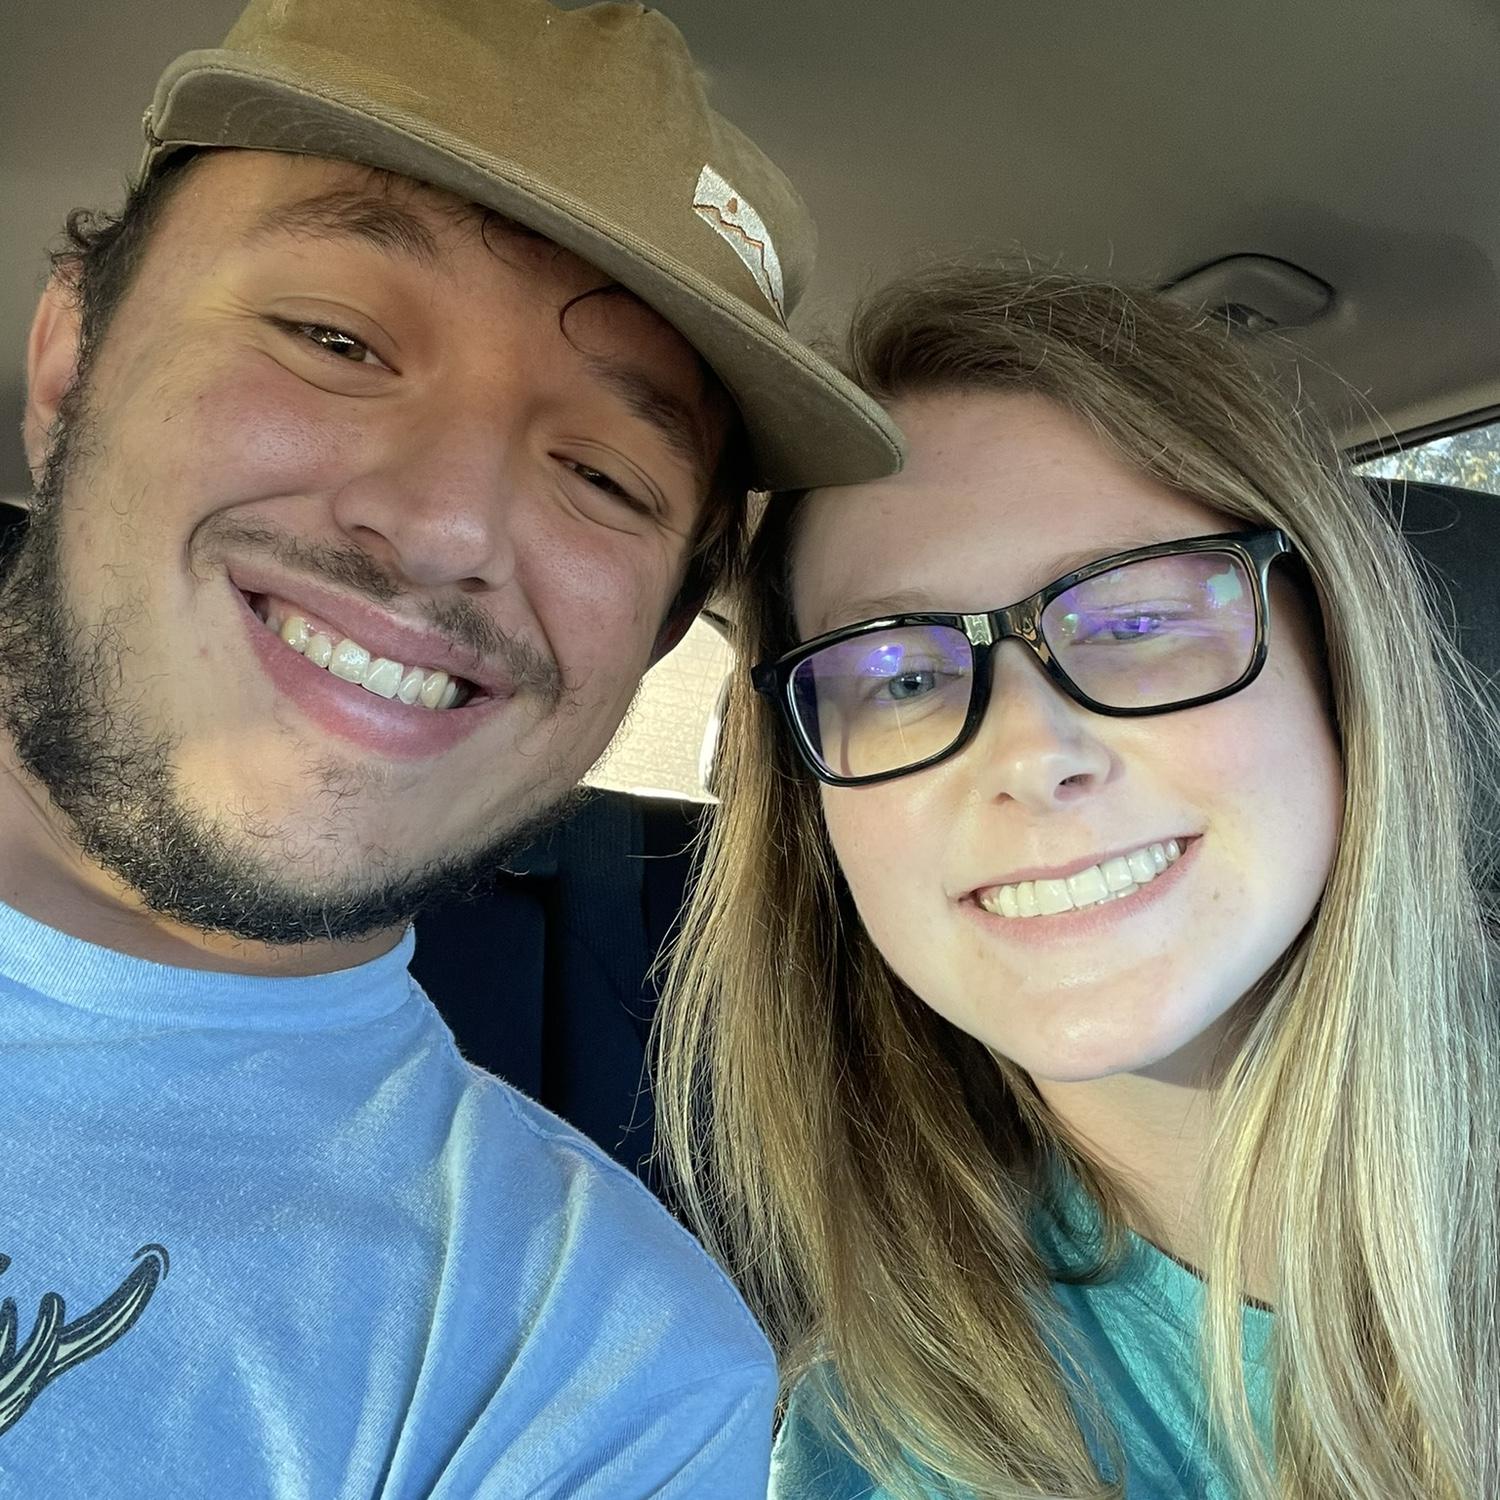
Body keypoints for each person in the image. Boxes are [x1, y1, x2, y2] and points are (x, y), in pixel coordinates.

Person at [0, 0, 904, 1492]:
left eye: (604, 476)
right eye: (336, 340)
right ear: (66, 357)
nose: (442, 527)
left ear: (658, 633)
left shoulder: (591, 1371)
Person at [657, 263, 1499, 1499]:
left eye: (1136, 622)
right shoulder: (888, 1450)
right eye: (900, 676)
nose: (1032, 752)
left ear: (1336, 660)